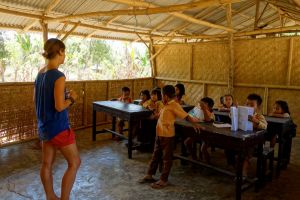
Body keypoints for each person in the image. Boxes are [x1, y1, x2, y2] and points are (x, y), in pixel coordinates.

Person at [34, 38, 81, 200]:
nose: (65, 55)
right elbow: (59, 106)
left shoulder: (40, 74)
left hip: (45, 127)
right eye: (64, 52)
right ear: (60, 51)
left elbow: (39, 99)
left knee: (46, 164)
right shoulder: (59, 76)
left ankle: (50, 197)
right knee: (75, 162)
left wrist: (63, 96)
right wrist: (72, 99)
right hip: (59, 127)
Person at [139, 85, 201, 189]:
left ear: (166, 96)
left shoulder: (174, 105)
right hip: (159, 134)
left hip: (168, 135)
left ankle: (164, 180)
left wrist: (195, 124)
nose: (161, 97)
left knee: (166, 159)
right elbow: (161, 115)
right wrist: (155, 115)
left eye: (162, 95)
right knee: (155, 155)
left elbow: (186, 116)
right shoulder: (165, 104)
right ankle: (149, 174)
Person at [185, 97, 215, 162]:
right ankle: (195, 158)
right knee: (187, 142)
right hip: (198, 132)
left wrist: (204, 109)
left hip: (207, 135)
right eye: (200, 104)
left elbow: (208, 119)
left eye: (203, 104)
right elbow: (189, 114)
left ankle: (208, 164)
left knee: (203, 149)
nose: (200, 105)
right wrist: (193, 118)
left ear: (208, 106)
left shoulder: (211, 114)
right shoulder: (197, 110)